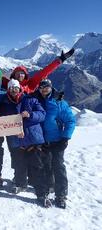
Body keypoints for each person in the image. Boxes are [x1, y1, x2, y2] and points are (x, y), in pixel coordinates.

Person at [0, 79, 51, 207]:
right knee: (19, 165)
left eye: (16, 88)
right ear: (8, 90)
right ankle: (20, 184)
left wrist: (30, 115)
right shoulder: (4, 104)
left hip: (32, 139)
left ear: (20, 88)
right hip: (16, 140)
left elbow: (42, 114)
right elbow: (2, 122)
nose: (14, 90)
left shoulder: (30, 100)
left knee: (37, 167)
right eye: (11, 88)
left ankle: (42, 194)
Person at [32, 79, 76, 208]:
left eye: (47, 87)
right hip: (41, 140)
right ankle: (44, 192)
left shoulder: (59, 102)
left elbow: (70, 121)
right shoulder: (35, 100)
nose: (44, 89)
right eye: (42, 87)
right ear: (39, 89)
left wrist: (65, 137)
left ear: (51, 88)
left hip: (57, 141)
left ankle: (61, 195)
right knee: (43, 167)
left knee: (58, 167)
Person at [0, 48, 75, 94]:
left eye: (22, 73)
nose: (20, 75)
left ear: (25, 75)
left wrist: (60, 60)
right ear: (14, 75)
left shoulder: (31, 84)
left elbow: (45, 71)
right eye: (18, 74)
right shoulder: (8, 83)